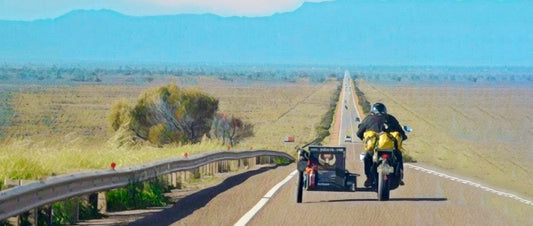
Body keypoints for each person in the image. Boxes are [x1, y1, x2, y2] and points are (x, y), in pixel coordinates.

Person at [356, 102, 407, 187]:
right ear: (384, 110)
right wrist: (404, 137)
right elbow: (400, 132)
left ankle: (369, 178)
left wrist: (365, 139)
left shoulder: (369, 119)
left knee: (367, 158)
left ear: (373, 110)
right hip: (390, 148)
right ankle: (400, 177)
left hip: (374, 149)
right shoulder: (390, 118)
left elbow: (359, 133)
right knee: (399, 157)